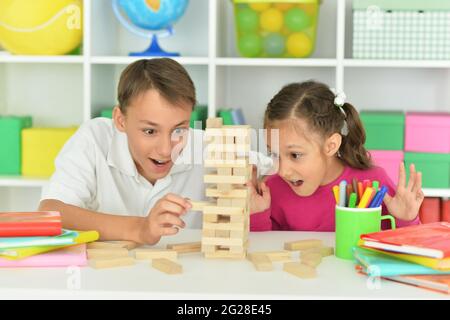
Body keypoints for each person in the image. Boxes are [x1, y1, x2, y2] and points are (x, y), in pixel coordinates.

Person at [39, 58, 207, 245]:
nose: (166, 149)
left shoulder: (209, 147)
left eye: (179, 130)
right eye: (149, 131)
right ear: (121, 120)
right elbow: (51, 213)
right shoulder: (94, 139)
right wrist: (140, 229)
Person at [249, 81, 422, 231]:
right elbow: (262, 254)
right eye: (274, 154)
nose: (282, 170)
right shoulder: (271, 190)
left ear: (331, 145)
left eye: (295, 155)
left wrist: (406, 220)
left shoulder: (373, 183)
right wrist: (256, 215)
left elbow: (407, 251)